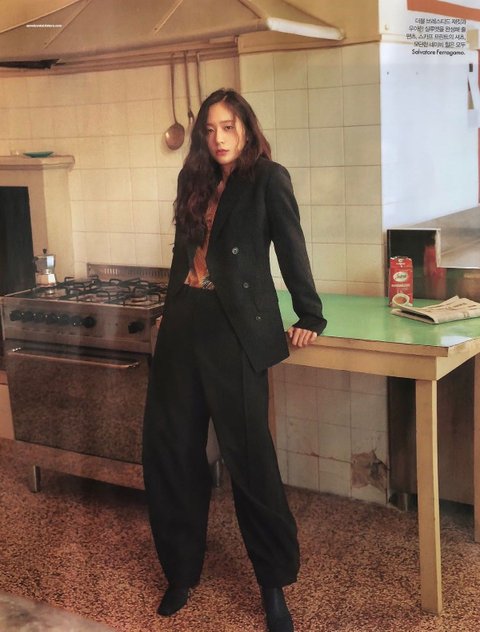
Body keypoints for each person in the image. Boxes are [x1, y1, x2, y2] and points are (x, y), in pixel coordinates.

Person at [142, 88, 327, 632]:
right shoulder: (193, 180)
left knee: (250, 461)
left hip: (235, 332)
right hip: (185, 325)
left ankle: (273, 586)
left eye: (228, 127)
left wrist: (310, 314)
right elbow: (181, 255)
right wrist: (169, 310)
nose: (219, 138)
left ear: (246, 127)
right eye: (210, 129)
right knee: (172, 453)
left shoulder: (268, 179)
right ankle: (181, 572)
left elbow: (291, 247)